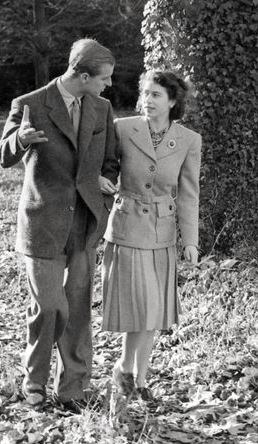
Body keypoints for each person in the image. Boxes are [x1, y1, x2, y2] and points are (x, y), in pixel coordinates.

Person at [0, 38, 118, 413]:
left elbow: (109, 162)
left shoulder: (102, 108)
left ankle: (73, 389)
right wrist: (20, 139)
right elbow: (2, 156)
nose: (109, 85)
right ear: (82, 75)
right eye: (104, 78)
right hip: (43, 222)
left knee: (78, 309)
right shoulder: (30, 104)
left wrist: (102, 186)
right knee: (50, 306)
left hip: (83, 223)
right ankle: (34, 381)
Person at [101, 70, 201, 401]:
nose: (148, 100)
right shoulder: (123, 128)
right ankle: (125, 369)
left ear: (173, 101)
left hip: (162, 233)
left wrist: (190, 240)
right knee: (141, 308)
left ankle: (139, 380)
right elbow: (105, 169)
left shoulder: (189, 140)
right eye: (145, 93)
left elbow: (188, 193)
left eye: (156, 95)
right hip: (128, 227)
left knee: (153, 311)